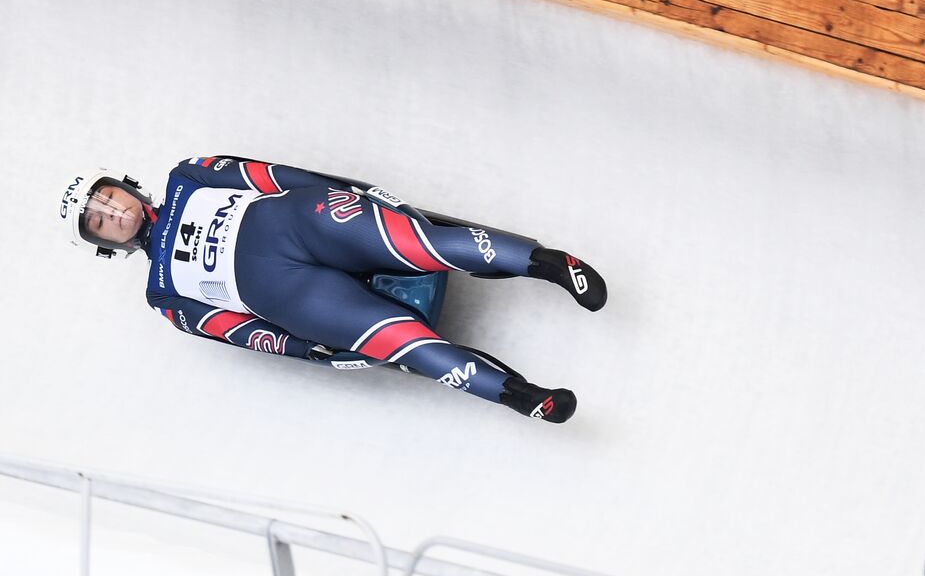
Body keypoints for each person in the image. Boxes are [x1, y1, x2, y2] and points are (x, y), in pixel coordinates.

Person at [58, 158, 608, 423]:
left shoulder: (191, 175)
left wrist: (348, 193)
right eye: (100, 222)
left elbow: (268, 177)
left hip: (303, 221)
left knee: (419, 245)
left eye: (107, 198)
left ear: (124, 185)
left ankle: (550, 264)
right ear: (107, 245)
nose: (112, 213)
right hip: (293, 295)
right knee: (404, 347)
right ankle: (523, 397)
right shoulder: (164, 296)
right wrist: (311, 351)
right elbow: (241, 332)